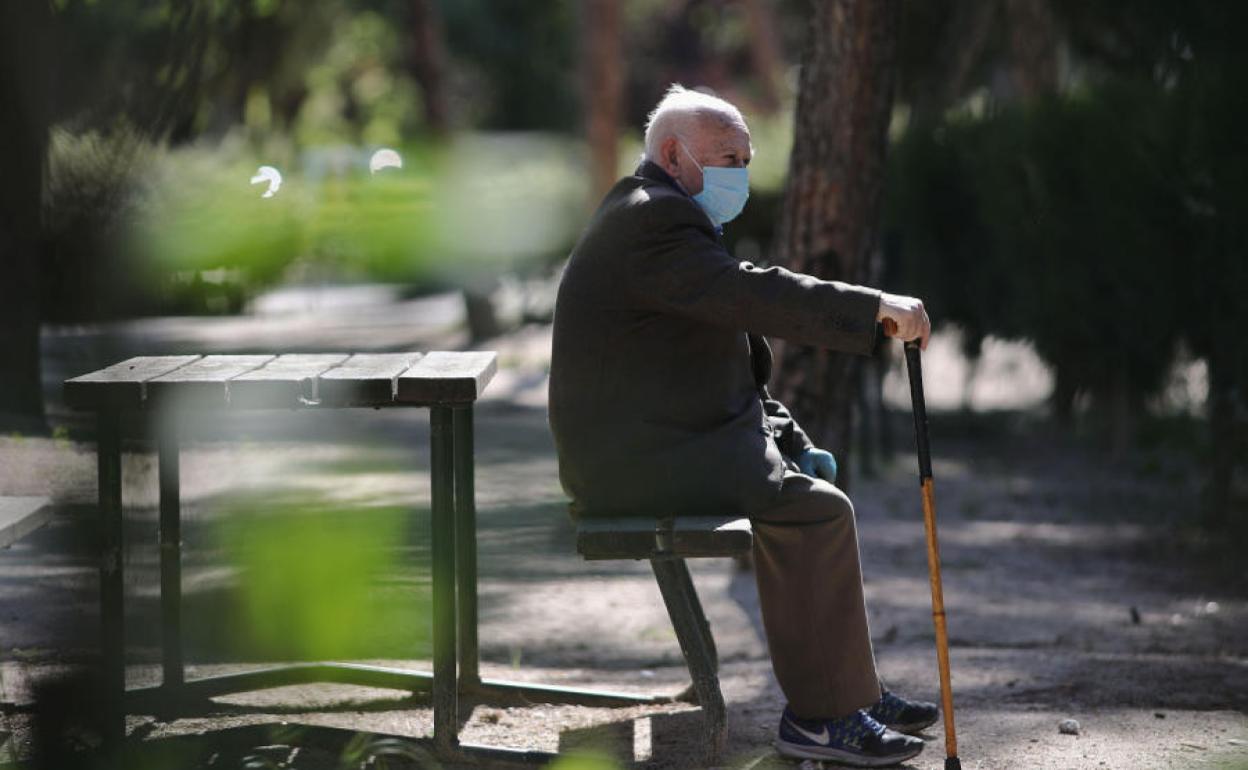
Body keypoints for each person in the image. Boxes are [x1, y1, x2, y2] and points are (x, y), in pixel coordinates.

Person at [548, 84, 936, 767]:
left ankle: (849, 696)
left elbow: (723, 366)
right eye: (729, 157)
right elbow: (752, 294)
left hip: (651, 444)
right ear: (673, 155)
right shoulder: (653, 222)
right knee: (817, 513)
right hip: (630, 463)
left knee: (811, 502)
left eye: (747, 159)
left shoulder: (655, 213)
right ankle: (822, 717)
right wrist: (872, 305)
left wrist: (791, 440)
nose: (741, 175)